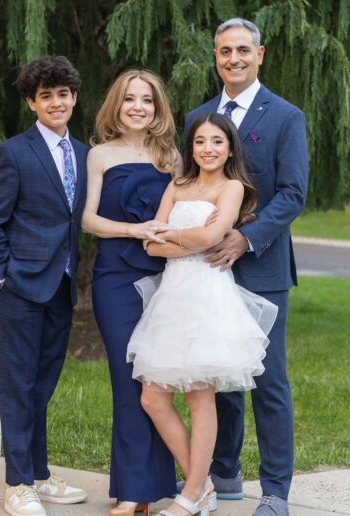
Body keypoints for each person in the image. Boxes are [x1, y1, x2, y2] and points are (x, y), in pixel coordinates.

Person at [183, 18, 309, 516]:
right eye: (223, 51)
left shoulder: (285, 116)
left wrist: (247, 238)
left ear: (261, 54)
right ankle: (224, 472)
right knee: (219, 378)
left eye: (242, 50)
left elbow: (294, 193)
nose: (232, 59)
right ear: (215, 57)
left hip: (261, 264)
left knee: (266, 379)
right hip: (208, 268)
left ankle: (276, 490)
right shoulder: (199, 116)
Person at [127, 113, 278, 516]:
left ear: (229, 147)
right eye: (199, 141)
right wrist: (185, 238)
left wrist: (176, 237)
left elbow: (212, 238)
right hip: (172, 296)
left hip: (206, 294)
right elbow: (150, 246)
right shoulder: (177, 185)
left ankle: (192, 493)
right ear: (190, 147)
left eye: (216, 141)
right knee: (153, 397)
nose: (207, 149)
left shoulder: (232, 187)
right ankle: (204, 485)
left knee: (198, 394)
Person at [0, 56, 89, 516]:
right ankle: (17, 483)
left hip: (61, 286)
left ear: (74, 98)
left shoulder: (84, 154)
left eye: (63, 94)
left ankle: (39, 474)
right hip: (20, 285)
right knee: (18, 385)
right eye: (46, 96)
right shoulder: (14, 152)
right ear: (31, 103)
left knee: (42, 384)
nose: (56, 102)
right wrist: (1, 276)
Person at [81, 69, 181, 516]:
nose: (138, 107)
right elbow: (87, 219)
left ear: (158, 108)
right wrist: (133, 229)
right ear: (115, 106)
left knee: (157, 381)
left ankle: (158, 486)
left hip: (165, 279)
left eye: (147, 100)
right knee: (128, 379)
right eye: (129, 99)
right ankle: (132, 490)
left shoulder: (173, 157)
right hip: (115, 278)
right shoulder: (99, 155)